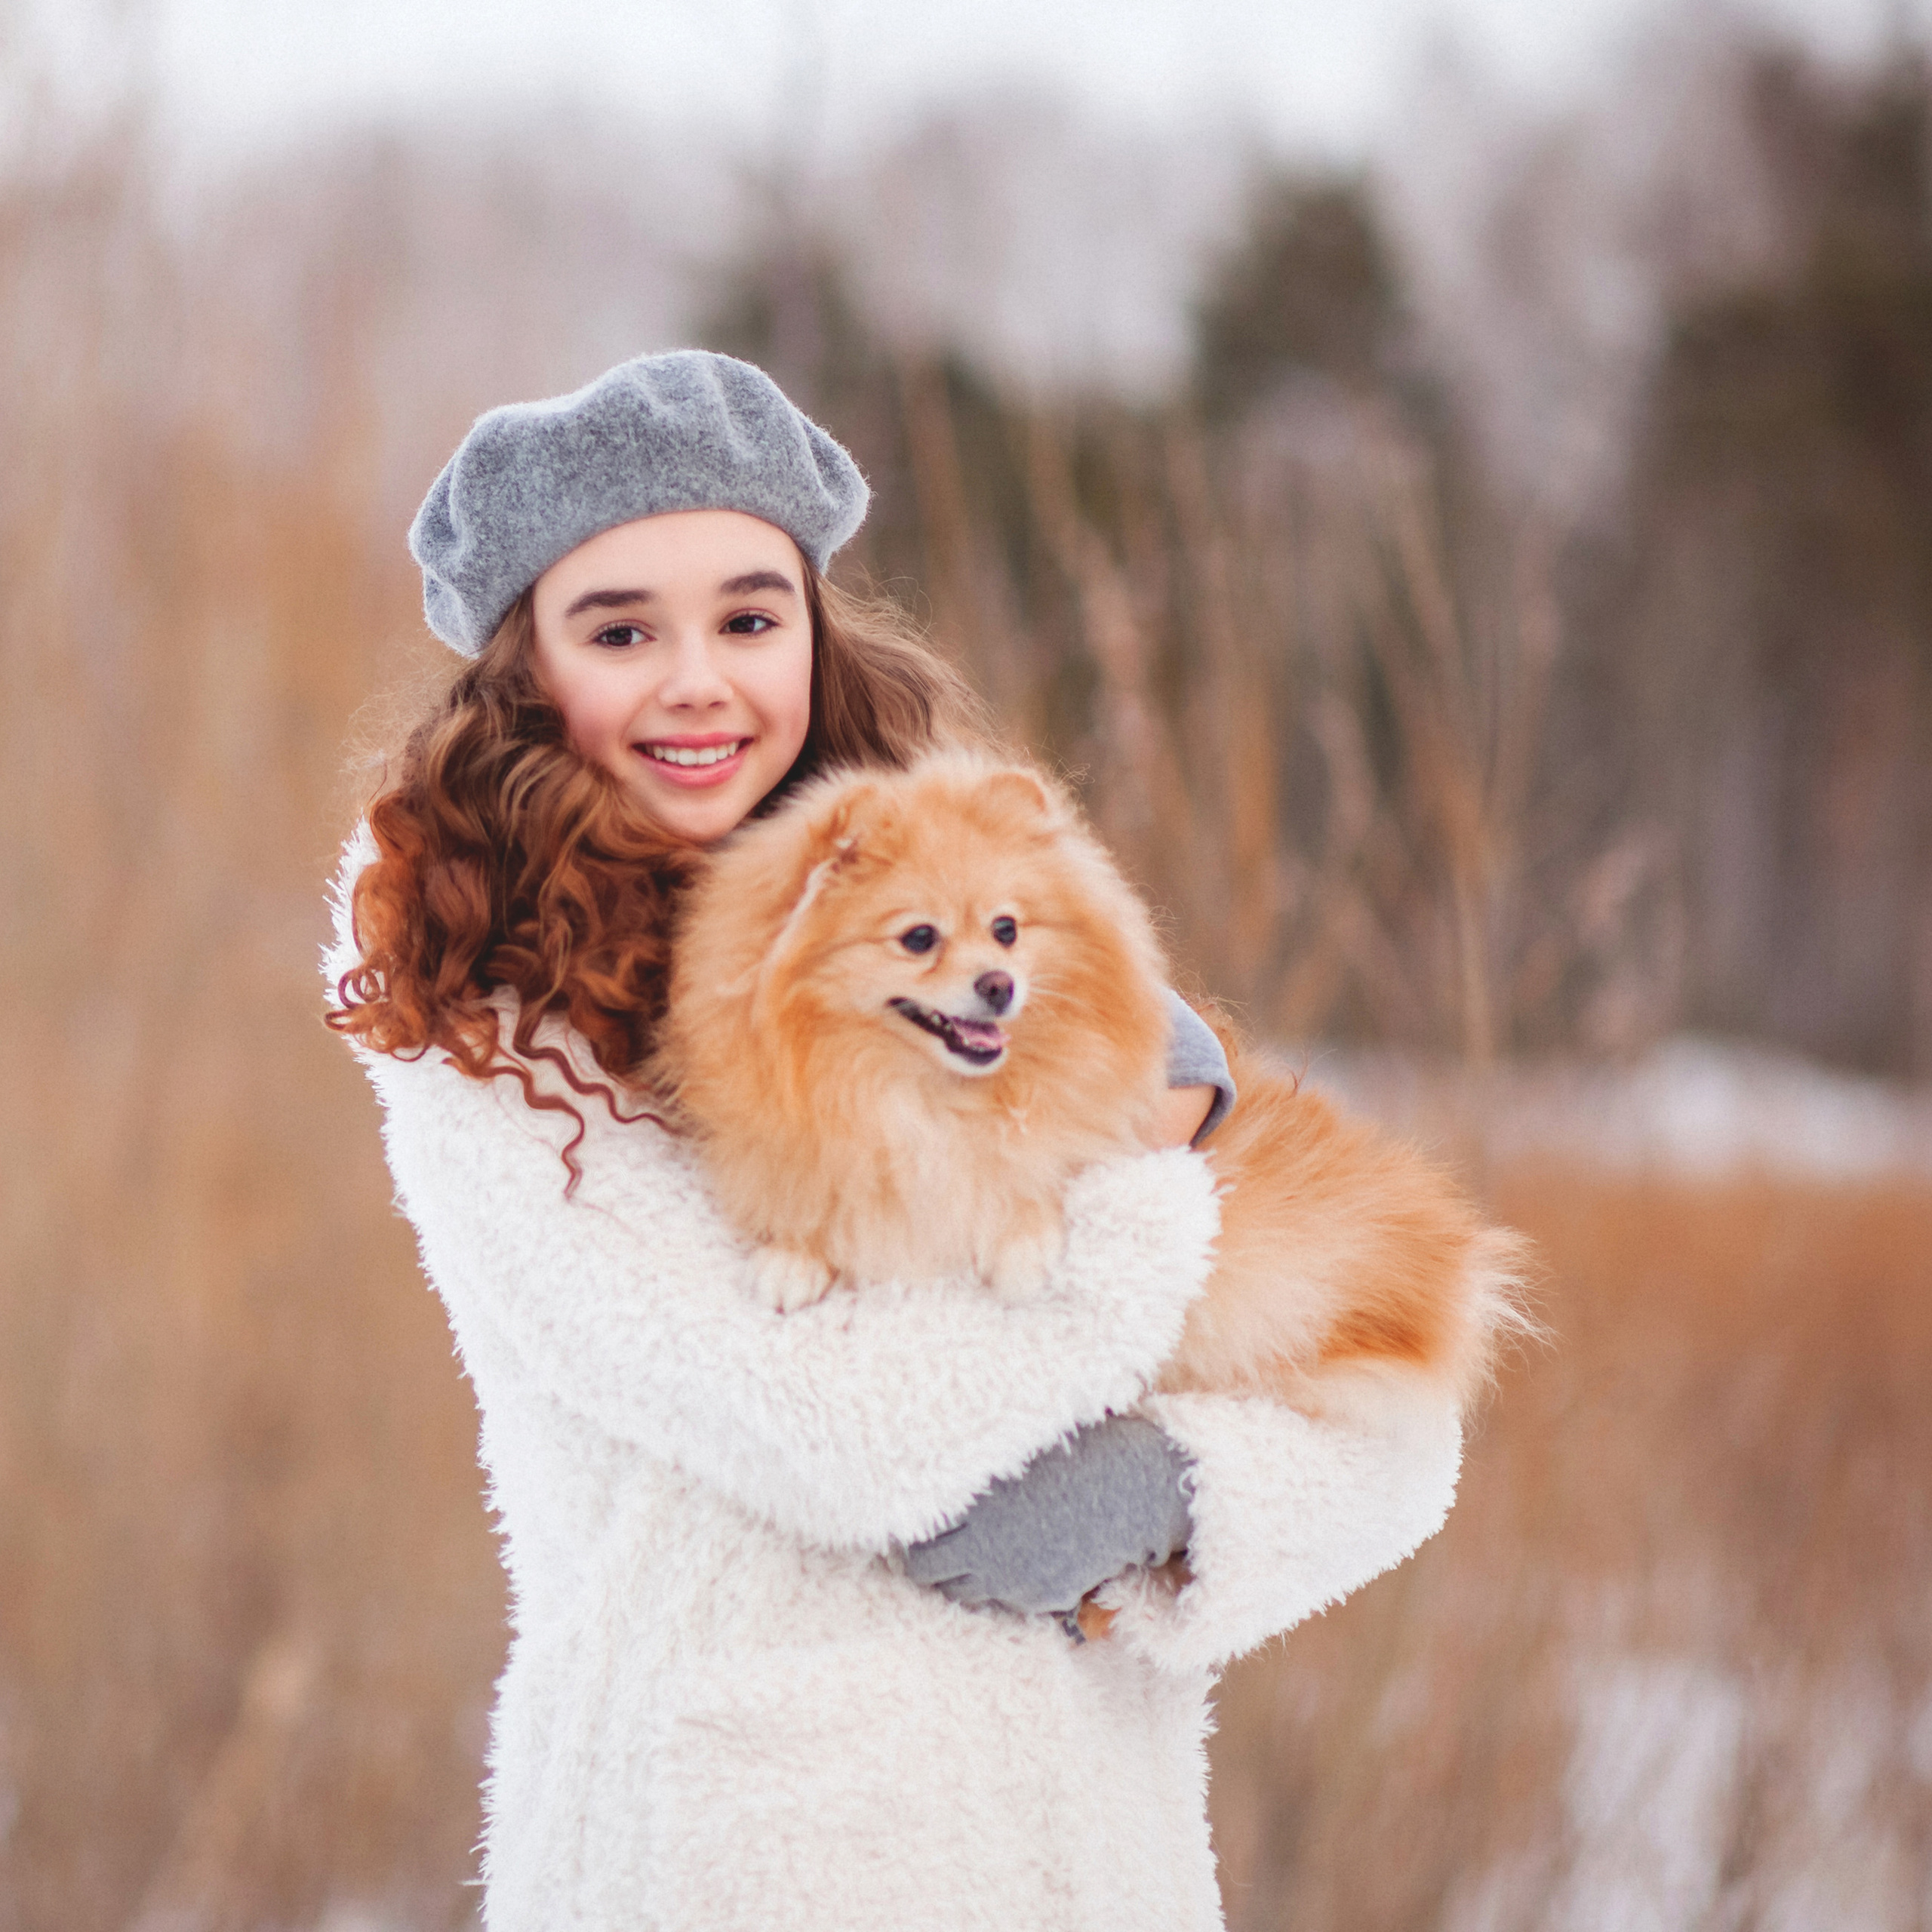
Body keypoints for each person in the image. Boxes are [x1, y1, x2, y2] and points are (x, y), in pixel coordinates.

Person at [325, 350, 1463, 1931]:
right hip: (752, 1849)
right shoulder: (486, 1014)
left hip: (1087, 1855)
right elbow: (832, 1427)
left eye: (748, 618)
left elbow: (1391, 1413)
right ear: (525, 673)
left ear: (812, 631)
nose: (698, 681)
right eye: (620, 631)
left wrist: (1175, 1490)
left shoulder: (970, 914)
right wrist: (1148, 1187)